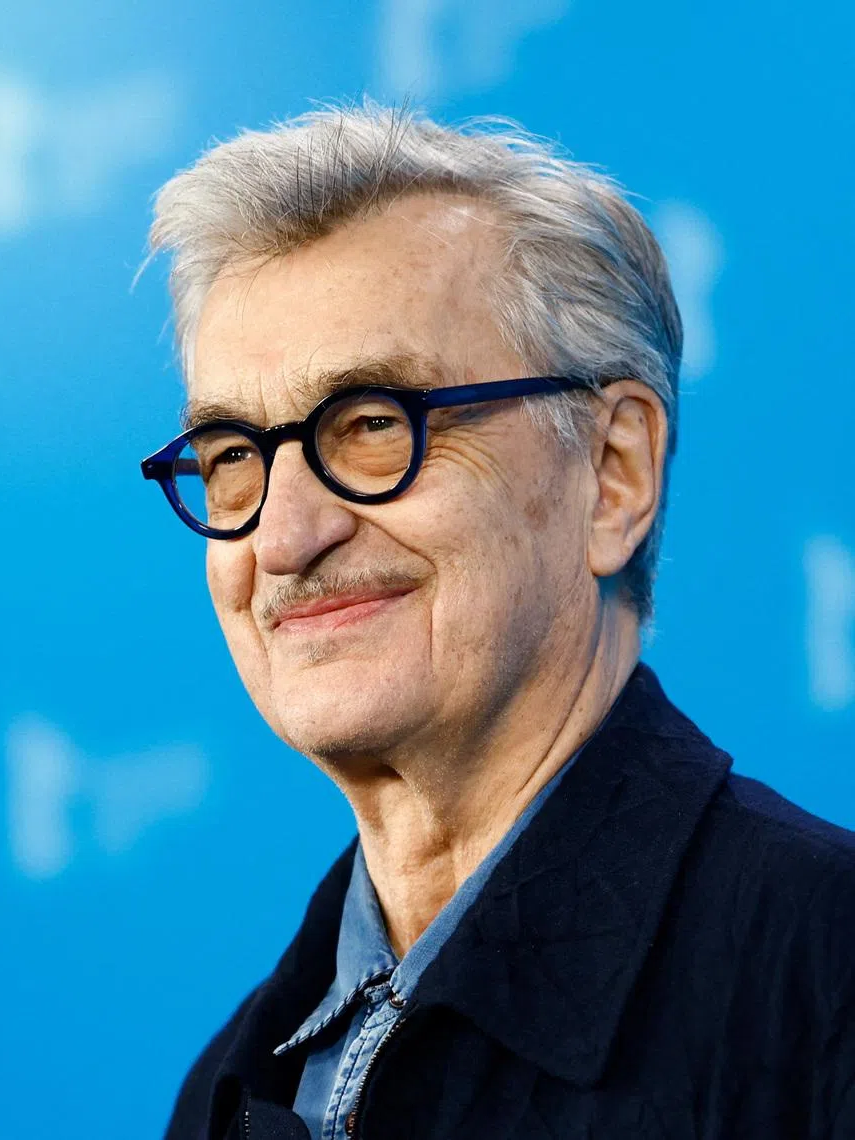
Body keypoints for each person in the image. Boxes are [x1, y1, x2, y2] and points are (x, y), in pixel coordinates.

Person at [139, 106, 855, 1139]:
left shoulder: (823, 980)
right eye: (235, 456)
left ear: (612, 475)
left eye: (373, 425)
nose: (285, 537)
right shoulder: (235, 1080)